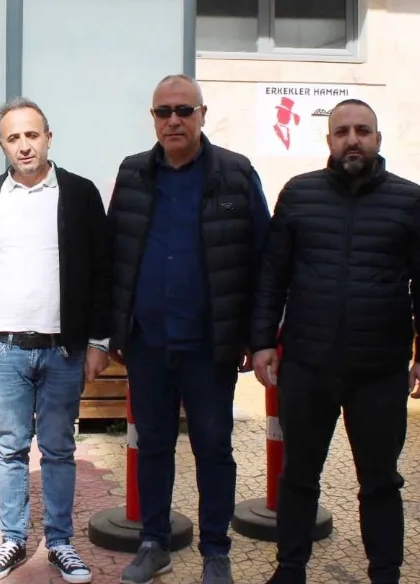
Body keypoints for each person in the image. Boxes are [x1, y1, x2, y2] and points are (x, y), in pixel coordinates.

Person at [106, 75, 270, 584]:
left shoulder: (235, 174)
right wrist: (113, 332)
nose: (173, 120)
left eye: (183, 110)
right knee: (153, 445)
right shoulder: (133, 173)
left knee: (213, 449)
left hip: (210, 345)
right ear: (153, 119)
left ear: (202, 114)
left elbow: (262, 260)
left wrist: (258, 337)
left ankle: (215, 551)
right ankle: (153, 543)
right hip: (148, 342)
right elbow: (116, 255)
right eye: (163, 112)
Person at [251, 99, 419, 584]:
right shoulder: (299, 194)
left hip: (380, 371)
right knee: (299, 476)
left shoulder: (410, 201)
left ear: (377, 139)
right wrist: (262, 342)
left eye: (362, 130)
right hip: (307, 365)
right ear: (329, 141)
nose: (353, 139)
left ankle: (385, 573)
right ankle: (290, 569)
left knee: (381, 481)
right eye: (342, 131)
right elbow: (272, 276)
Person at [0, 97, 111, 584]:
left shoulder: (79, 193)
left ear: (48, 137)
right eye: (13, 138)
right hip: (2, 347)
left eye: (31, 135)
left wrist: (98, 341)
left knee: (59, 448)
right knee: (9, 447)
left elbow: (102, 270)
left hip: (63, 347)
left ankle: (61, 542)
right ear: (1, 145)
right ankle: (12, 539)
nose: (24, 145)